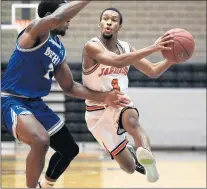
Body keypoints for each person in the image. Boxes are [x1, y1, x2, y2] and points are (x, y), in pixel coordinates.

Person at [1, 2, 130, 188]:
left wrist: (105, 97)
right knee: (40, 140)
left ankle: (46, 185)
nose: (69, 20)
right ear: (48, 15)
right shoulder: (36, 31)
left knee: (69, 149)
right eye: (66, 15)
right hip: (11, 99)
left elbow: (69, 86)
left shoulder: (59, 49)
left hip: (35, 104)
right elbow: (57, 18)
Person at [82, 7, 176, 183]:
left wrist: (172, 58)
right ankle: (132, 152)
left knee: (133, 122)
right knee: (130, 167)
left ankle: (150, 161)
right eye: (105, 18)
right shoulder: (91, 46)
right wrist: (153, 47)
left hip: (120, 103)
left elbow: (153, 71)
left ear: (119, 26)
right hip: (97, 112)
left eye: (114, 20)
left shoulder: (126, 47)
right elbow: (118, 61)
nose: (109, 22)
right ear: (100, 23)